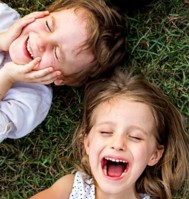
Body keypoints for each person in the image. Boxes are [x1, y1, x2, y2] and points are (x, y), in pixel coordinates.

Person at [0, 70, 189, 199]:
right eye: (106, 132)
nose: (118, 143)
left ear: (154, 155)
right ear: (87, 143)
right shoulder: (73, 188)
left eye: (135, 137)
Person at [0, 0, 126, 143]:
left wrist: (6, 78)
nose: (41, 42)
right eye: (48, 25)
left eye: (57, 54)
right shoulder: (4, 18)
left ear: (61, 78)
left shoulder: (30, 101)